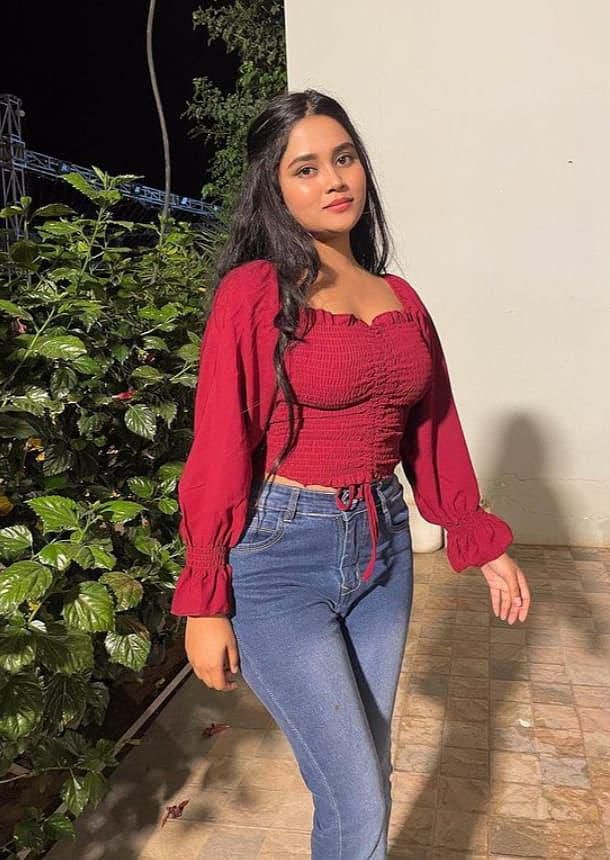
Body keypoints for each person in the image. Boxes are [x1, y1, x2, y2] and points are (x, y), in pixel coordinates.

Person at [170, 88, 531, 859]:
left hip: (383, 548)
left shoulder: (401, 298)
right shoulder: (255, 293)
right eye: (305, 168)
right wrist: (205, 597)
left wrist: (476, 536)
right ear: (274, 189)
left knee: (367, 770)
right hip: (279, 557)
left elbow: (432, 427)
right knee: (356, 795)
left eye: (344, 158)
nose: (333, 179)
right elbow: (221, 445)